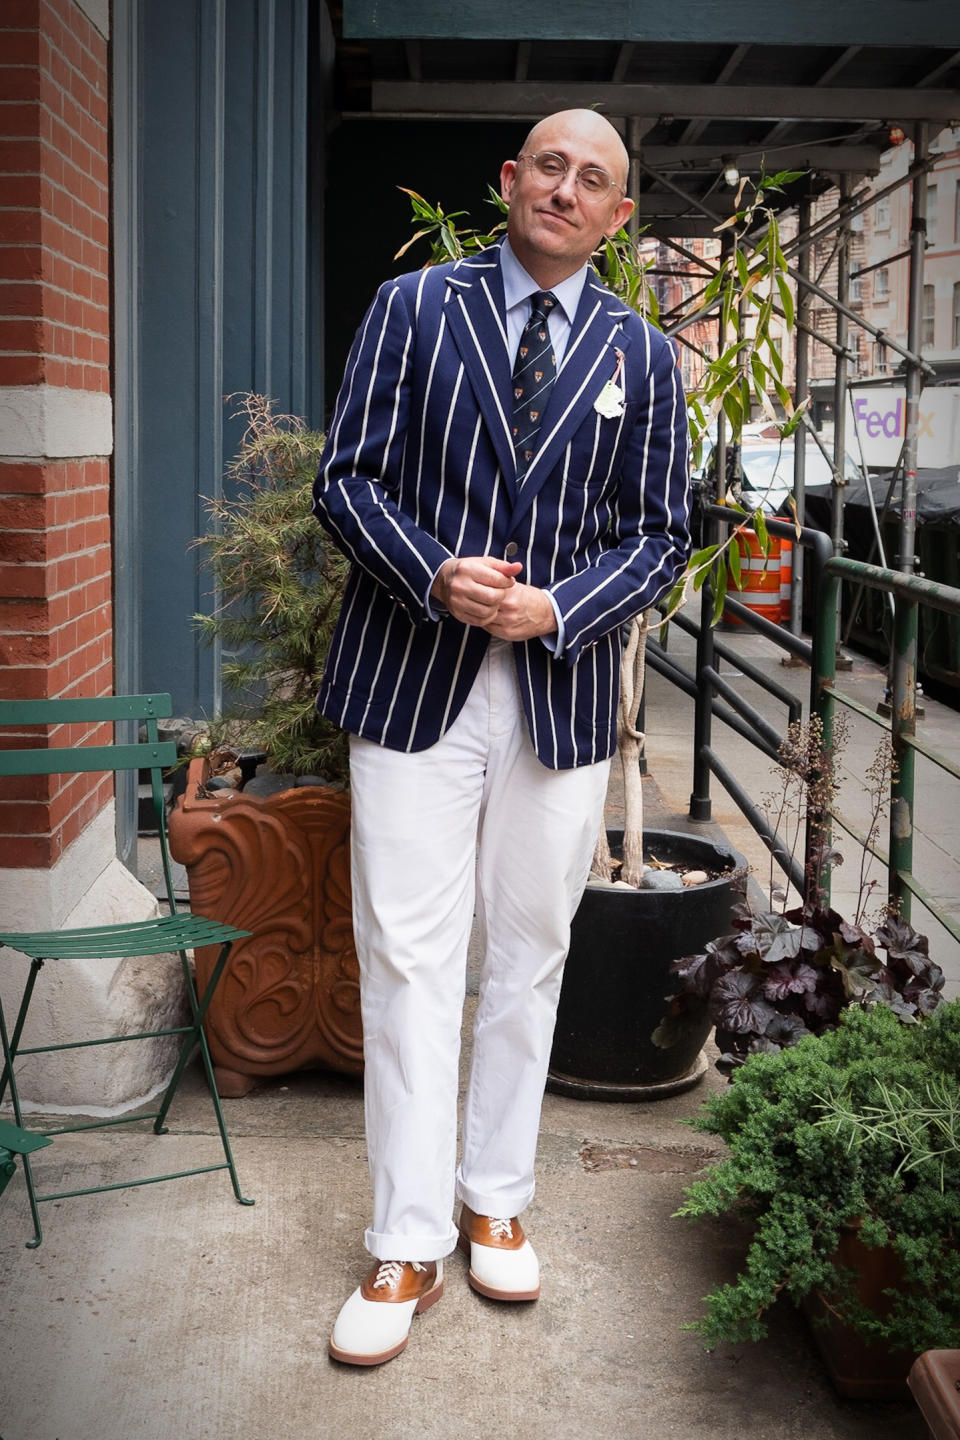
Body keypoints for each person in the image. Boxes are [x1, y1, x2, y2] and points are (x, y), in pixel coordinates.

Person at [312, 108, 690, 1367]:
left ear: (618, 217)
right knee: (410, 957)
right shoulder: (415, 307)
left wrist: (557, 607)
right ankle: (406, 1237)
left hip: (560, 691)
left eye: (596, 180)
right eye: (550, 167)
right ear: (510, 181)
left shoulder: (645, 353)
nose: (568, 191)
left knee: (530, 950)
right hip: (415, 680)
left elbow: (657, 535)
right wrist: (434, 575)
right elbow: (345, 479)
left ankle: (495, 1198)